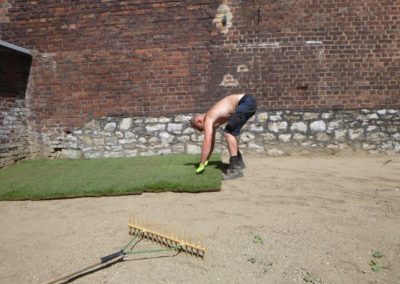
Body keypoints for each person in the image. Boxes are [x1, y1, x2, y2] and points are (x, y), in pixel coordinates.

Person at [191, 93, 257, 180]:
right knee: (231, 132)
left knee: (229, 133)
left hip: (245, 102)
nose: (201, 131)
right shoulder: (212, 119)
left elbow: (207, 142)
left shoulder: (208, 117)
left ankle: (235, 169)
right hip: (249, 102)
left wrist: (202, 164)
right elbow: (211, 143)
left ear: (199, 122)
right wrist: (206, 159)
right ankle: (239, 162)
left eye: (198, 128)